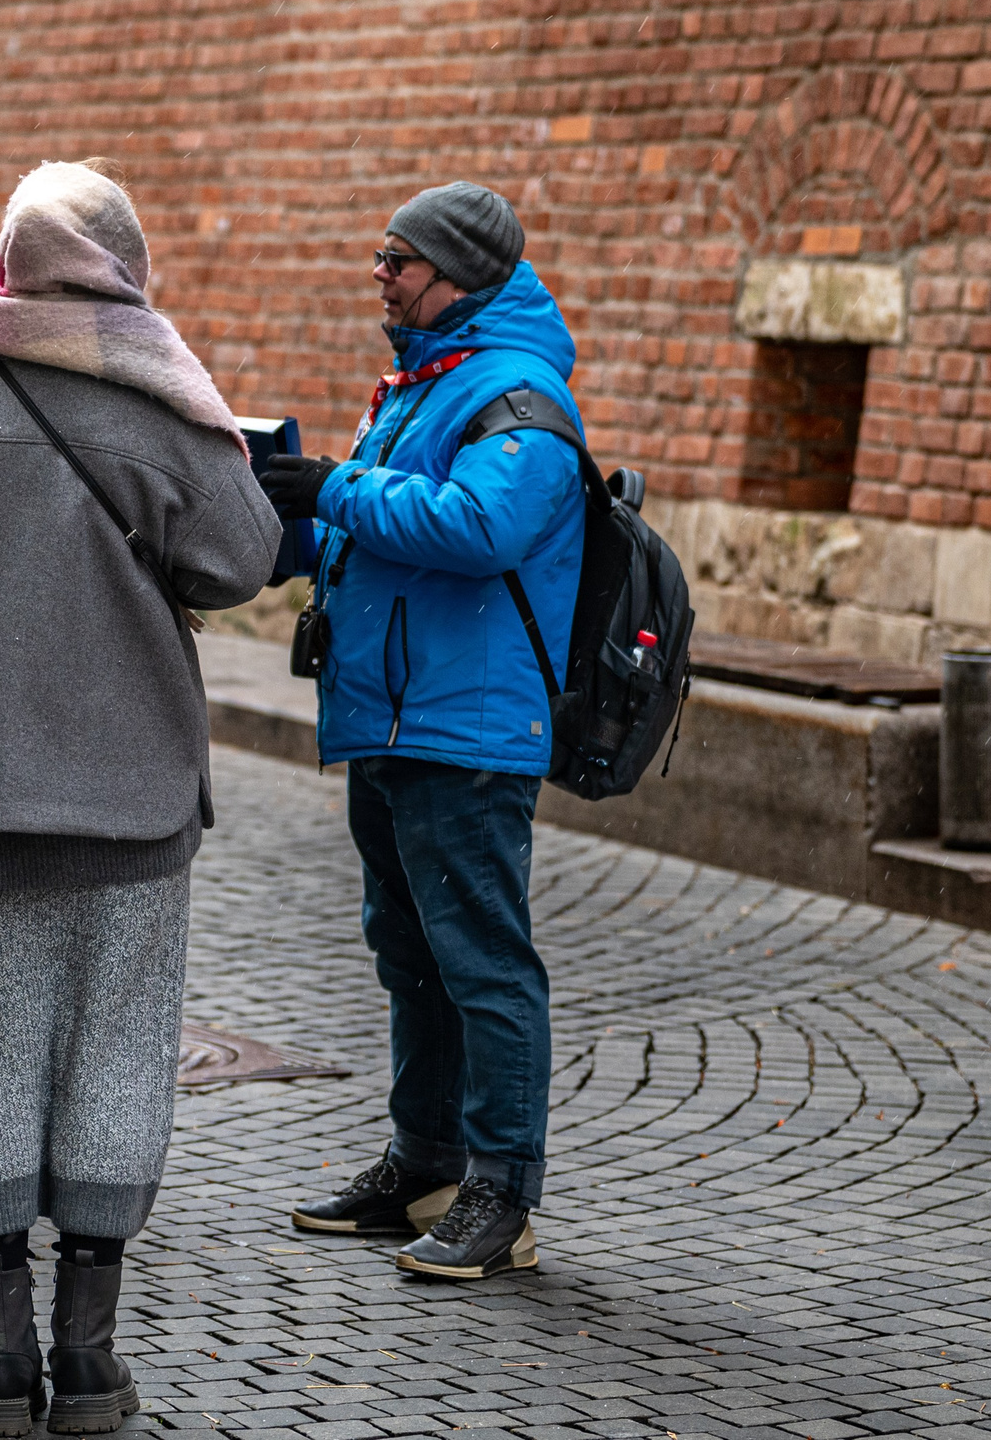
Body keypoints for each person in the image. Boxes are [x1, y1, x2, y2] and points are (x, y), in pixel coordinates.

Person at [0, 161, 279, 1438]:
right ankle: (86, 1363)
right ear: (123, 262)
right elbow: (242, 557)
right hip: (128, 798)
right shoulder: (159, 396)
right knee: (119, 1052)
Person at [257, 182, 586, 1281]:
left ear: (459, 276)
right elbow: (368, 526)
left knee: (483, 961)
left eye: (399, 260)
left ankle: (503, 1189)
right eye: (382, 256)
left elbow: (482, 525)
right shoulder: (421, 379)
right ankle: (424, 1161)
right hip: (390, 716)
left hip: (467, 726)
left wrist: (333, 485)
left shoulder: (519, 393)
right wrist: (282, 505)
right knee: (409, 952)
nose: (381, 274)